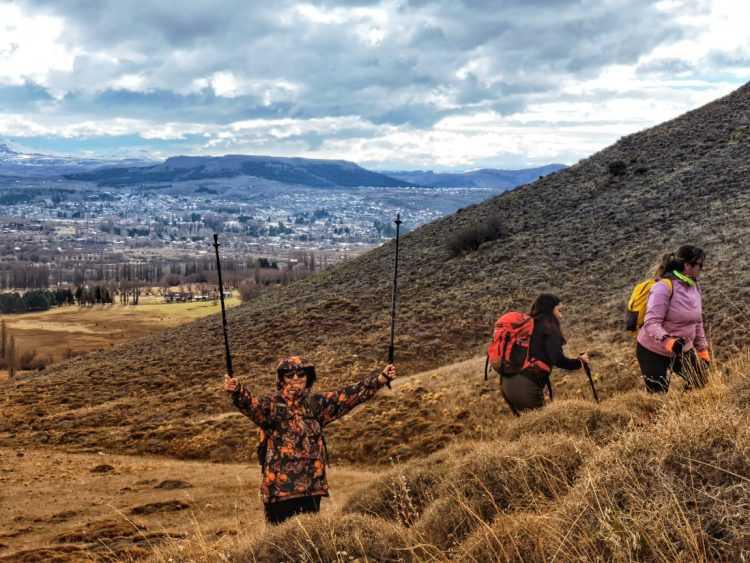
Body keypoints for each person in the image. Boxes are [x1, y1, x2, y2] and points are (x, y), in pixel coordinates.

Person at [223, 356, 396, 525]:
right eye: (289, 375)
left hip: (312, 490)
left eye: (301, 374)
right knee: (279, 548)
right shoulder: (271, 405)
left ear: (308, 377)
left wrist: (381, 379)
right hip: (280, 494)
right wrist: (237, 390)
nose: (296, 378)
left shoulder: (317, 404)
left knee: (309, 545)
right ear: (281, 379)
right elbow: (251, 405)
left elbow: (349, 395)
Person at [636, 245, 709, 393]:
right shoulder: (663, 287)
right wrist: (668, 341)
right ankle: (662, 415)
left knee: (700, 381)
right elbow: (651, 323)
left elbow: (697, 321)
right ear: (687, 265)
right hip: (652, 350)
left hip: (681, 348)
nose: (701, 268)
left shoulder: (695, 287)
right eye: (699, 265)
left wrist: (702, 350)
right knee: (658, 396)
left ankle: (686, 411)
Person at [501, 294, 589, 413]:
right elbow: (558, 359)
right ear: (550, 308)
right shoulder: (548, 327)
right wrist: (580, 362)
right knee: (545, 426)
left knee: (531, 426)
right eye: (558, 307)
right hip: (526, 385)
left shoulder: (529, 325)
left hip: (507, 383)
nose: (561, 311)